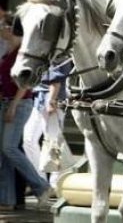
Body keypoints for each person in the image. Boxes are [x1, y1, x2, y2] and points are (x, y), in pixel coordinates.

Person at [0, 15, 52, 211]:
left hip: (20, 104)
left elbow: (25, 83)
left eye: (3, 26)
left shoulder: (20, 54)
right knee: (4, 152)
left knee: (9, 147)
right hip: (7, 103)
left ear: (12, 30)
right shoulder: (8, 52)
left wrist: (13, 105)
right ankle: (6, 198)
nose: (1, 30)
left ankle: (41, 186)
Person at [23, 59, 73, 191]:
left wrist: (52, 99)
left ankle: (54, 184)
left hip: (50, 97)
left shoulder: (59, 51)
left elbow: (56, 77)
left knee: (54, 144)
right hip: (40, 97)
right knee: (29, 139)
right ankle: (42, 181)